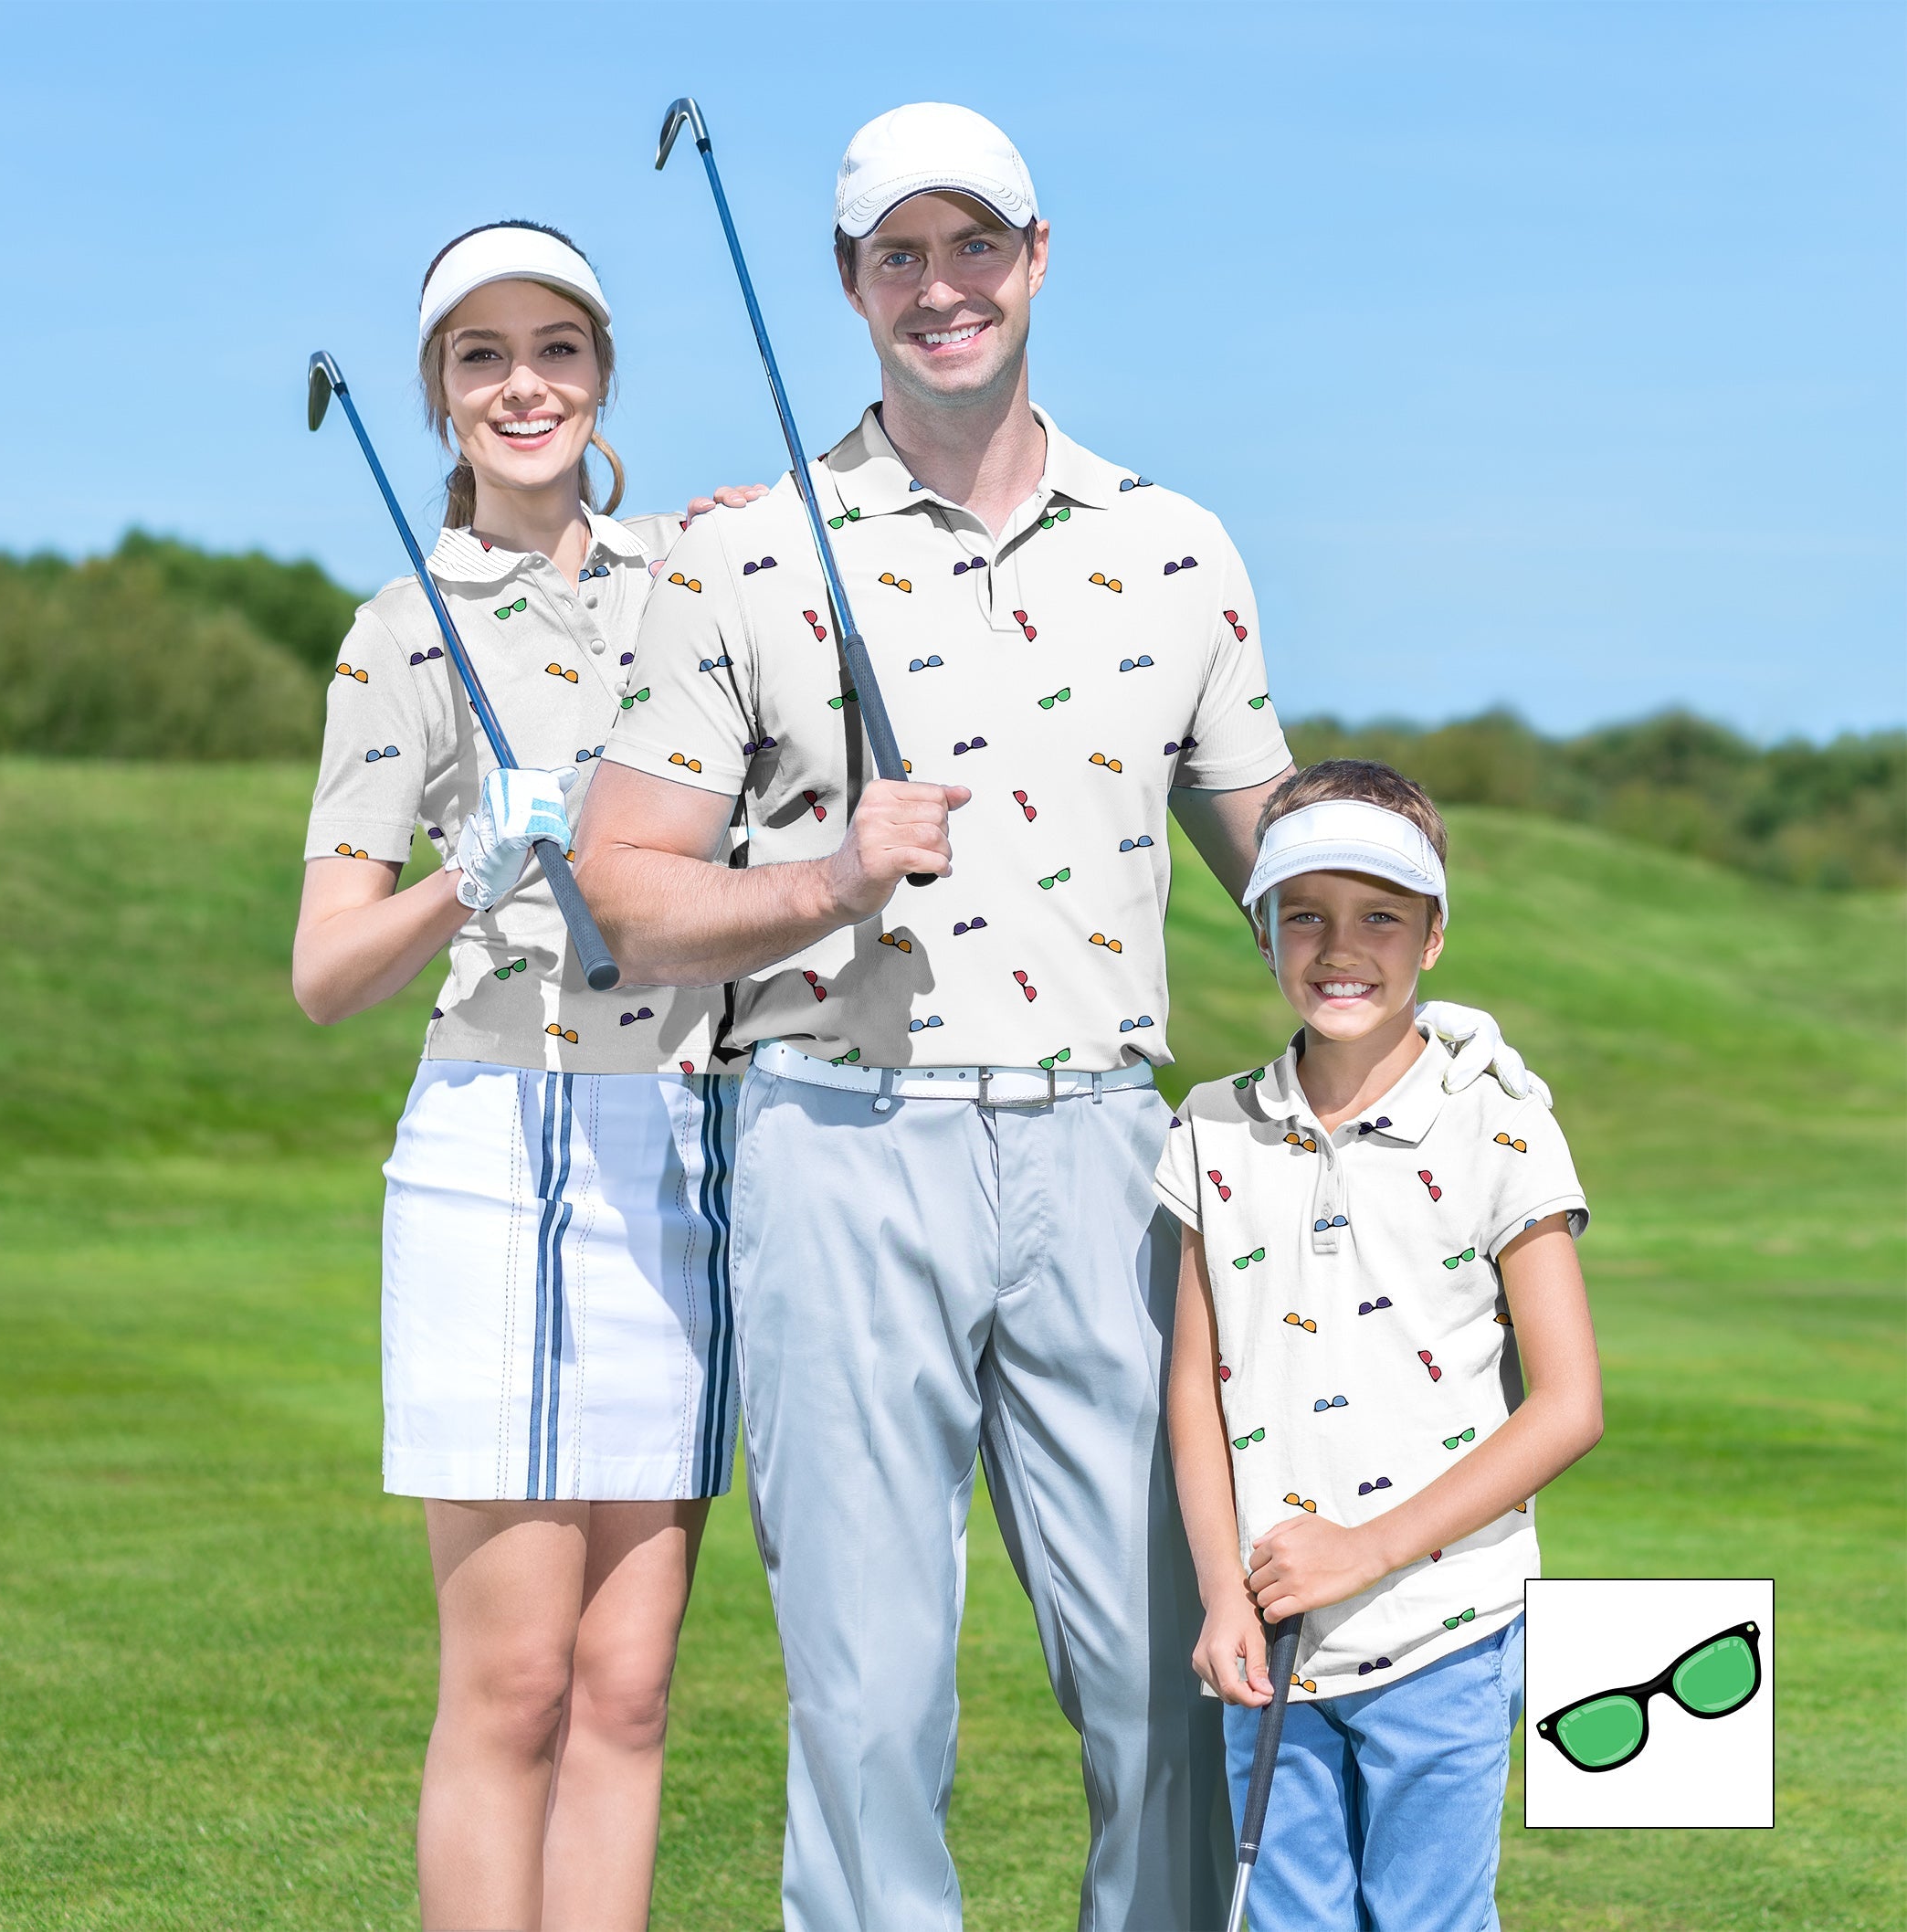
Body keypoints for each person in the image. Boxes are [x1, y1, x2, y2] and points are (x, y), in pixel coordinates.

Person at [574, 106, 1537, 1931]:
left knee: (1175, 1674)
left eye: (974, 245)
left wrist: (1429, 1031)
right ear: (849, 283)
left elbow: (1282, 866)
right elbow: (623, 889)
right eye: (899, 255)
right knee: (871, 1703)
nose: (940, 287)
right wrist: (822, 882)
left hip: (1110, 1153)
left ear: (1035, 258)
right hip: (834, 1136)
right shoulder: (746, 552)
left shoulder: (1176, 549)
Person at [292, 220, 764, 1932]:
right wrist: (462, 875)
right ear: (439, 393)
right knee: (514, 1683)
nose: (522, 385)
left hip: (679, 1142)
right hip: (495, 1147)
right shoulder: (396, 634)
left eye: (555, 348)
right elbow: (326, 973)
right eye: (480, 355)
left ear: (602, 374)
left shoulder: (698, 586)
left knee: (628, 1685)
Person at [1159, 759, 1605, 1932]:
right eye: (1305, 914)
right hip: (1270, 1635)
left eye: (1381, 917)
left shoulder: (1501, 1121)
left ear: (1434, 937)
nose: (1340, 947)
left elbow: (1569, 1405)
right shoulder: (1211, 1126)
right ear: (1262, 929)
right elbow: (1195, 1394)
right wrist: (1221, 1595)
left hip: (1448, 1626)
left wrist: (1365, 1552)